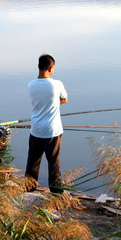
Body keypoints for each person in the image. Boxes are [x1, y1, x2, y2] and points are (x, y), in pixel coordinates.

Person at [25, 54, 68, 194]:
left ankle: (29, 189)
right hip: (52, 131)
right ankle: (56, 192)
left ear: (39, 66)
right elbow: (64, 99)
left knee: (33, 161)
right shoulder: (57, 84)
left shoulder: (30, 85)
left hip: (36, 130)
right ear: (50, 68)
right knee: (53, 162)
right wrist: (55, 104)